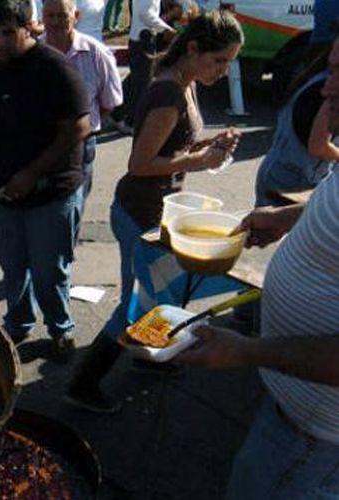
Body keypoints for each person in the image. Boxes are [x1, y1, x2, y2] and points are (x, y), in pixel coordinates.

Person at [173, 35, 339, 499]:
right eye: (331, 69)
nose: (326, 88)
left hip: (318, 438)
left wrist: (246, 351)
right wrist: (288, 217)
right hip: (294, 402)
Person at [65, 11, 243, 413]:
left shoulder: (187, 82)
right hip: (139, 212)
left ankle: (149, 356)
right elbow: (140, 164)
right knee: (135, 302)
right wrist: (199, 161)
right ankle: (82, 384)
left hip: (159, 210)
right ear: (194, 49)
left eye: (230, 61)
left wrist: (209, 146)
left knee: (161, 290)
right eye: (219, 60)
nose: (224, 69)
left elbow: (172, 148)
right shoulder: (169, 93)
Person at [0, 0, 90, 360]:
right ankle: (18, 324)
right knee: (13, 266)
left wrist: (31, 173)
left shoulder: (53, 67)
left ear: (28, 27)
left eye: (8, 33)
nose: (0, 42)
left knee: (50, 271)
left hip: (49, 193)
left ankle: (60, 328)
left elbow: (79, 127)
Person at [41, 0, 122, 220]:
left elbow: (108, 103)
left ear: (76, 16)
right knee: (41, 210)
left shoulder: (97, 54)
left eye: (62, 16)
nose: (56, 22)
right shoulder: (32, 54)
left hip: (81, 146)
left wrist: (84, 126)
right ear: (42, 17)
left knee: (72, 210)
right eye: (50, 16)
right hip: (39, 145)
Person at [255, 61, 338, 207]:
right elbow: (318, 146)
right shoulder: (332, 91)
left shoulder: (313, 73)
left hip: (277, 169)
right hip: (295, 181)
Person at [120, 0, 177, 134]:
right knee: (141, 84)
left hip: (144, 37)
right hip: (143, 39)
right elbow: (146, 15)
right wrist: (166, 29)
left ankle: (117, 113)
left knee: (136, 80)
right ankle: (131, 122)